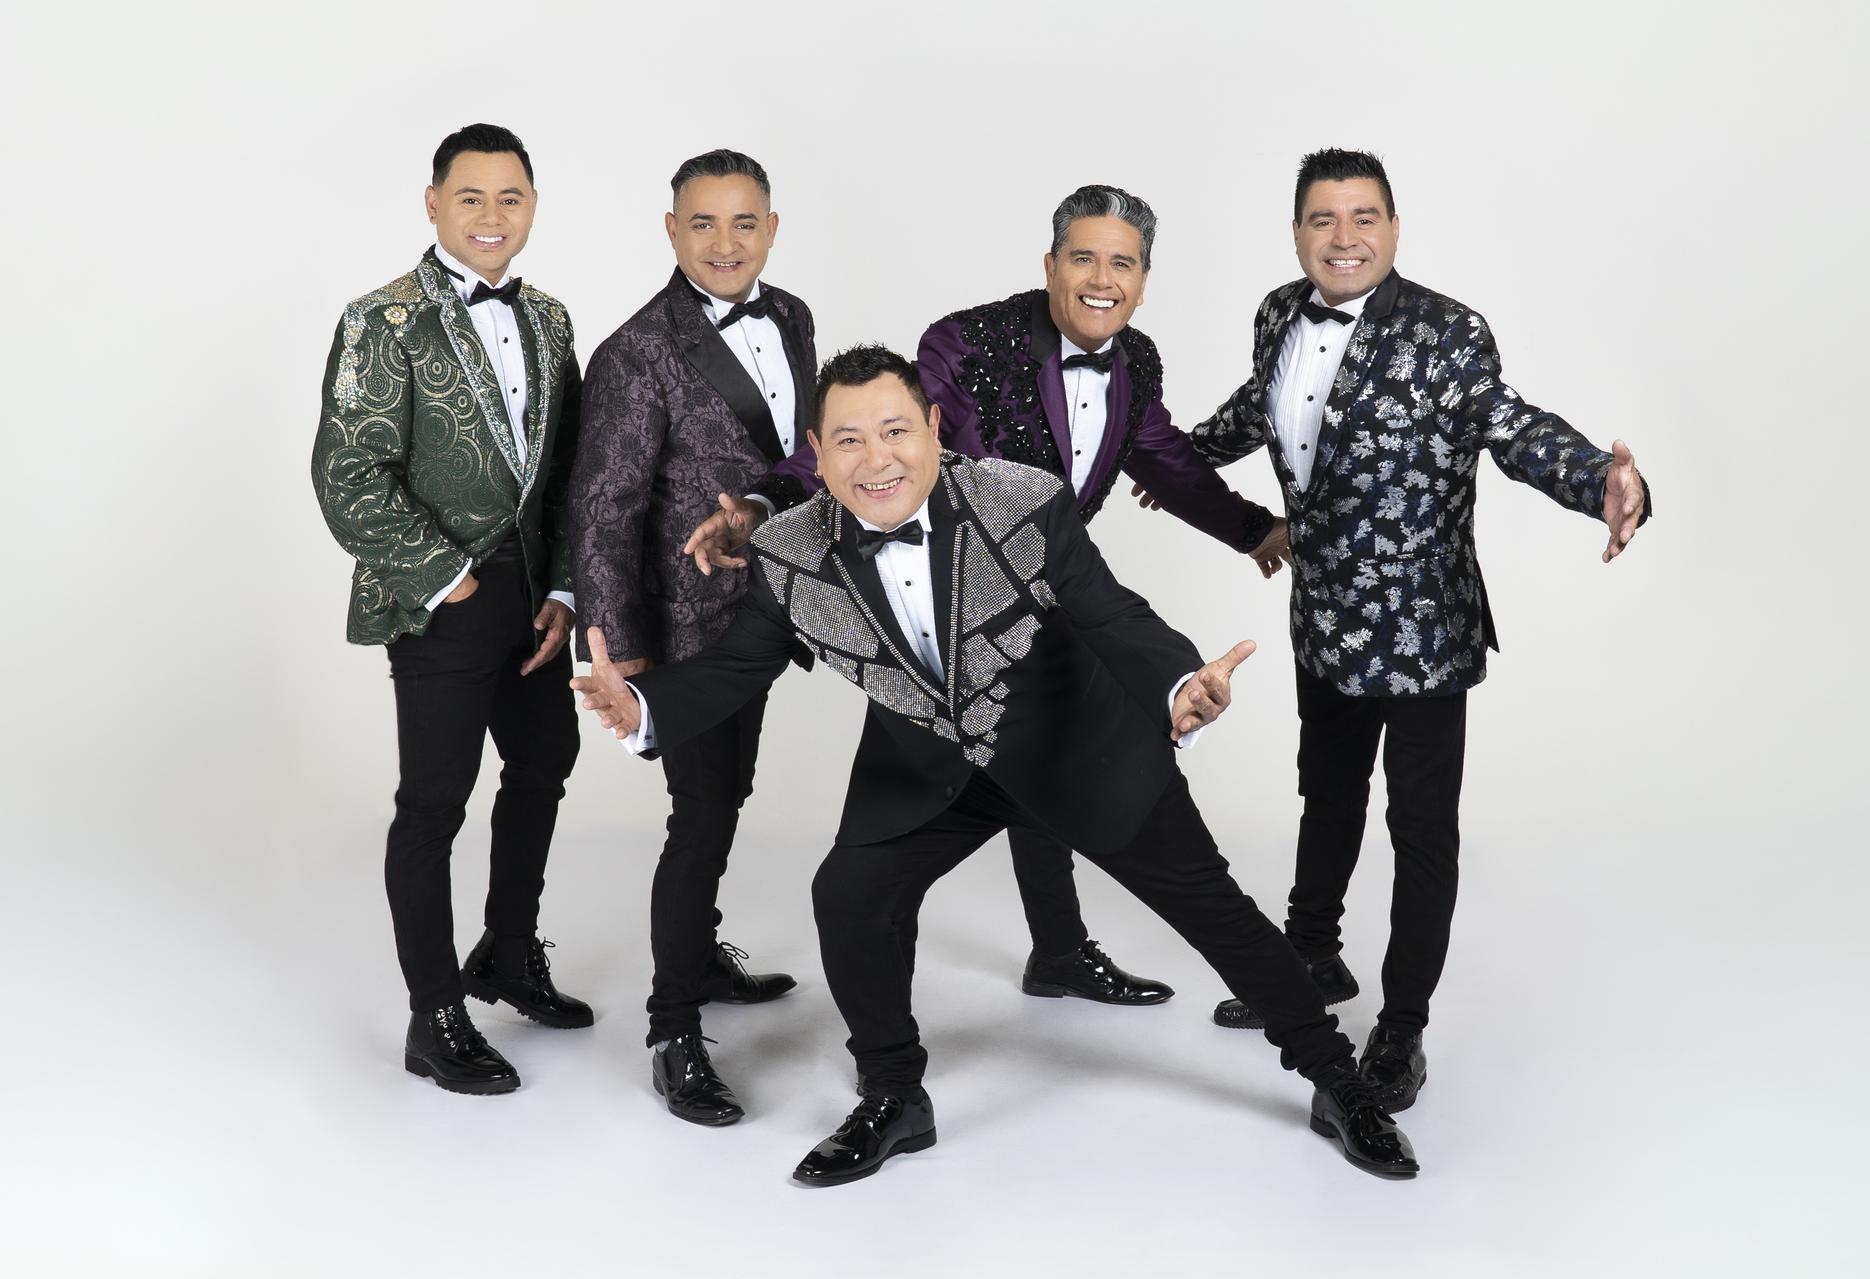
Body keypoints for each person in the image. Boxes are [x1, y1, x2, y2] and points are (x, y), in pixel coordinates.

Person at [575, 345, 1421, 1184]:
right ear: (817, 453)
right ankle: (893, 1093)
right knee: (849, 894)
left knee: (1219, 914)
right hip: (929, 768)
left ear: (935, 428)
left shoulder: (1022, 499)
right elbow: (735, 668)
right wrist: (644, 708)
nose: (877, 459)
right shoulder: (788, 551)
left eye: (896, 431)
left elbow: (1113, 614)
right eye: (850, 440)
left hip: (1075, 747)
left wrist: (1178, 685)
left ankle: (1336, 1081)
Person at [683, 186, 1292, 1008]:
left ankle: (1065, 951)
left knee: (1062, 753)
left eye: (1121, 263)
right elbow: (872, 442)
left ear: (1144, 280)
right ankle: (974, 981)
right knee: (949, 800)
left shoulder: (1136, 361)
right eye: (1083, 258)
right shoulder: (968, 343)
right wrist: (765, 505)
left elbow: (1163, 457)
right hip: (942, 606)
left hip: (1056, 593)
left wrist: (1254, 529)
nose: (1101, 278)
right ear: (1050, 265)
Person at [1175, 148, 1650, 1115]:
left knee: (1421, 831)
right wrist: (1167, 458)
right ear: (1297, 233)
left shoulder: (1447, 332)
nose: (1344, 237)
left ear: (1394, 228)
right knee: (1326, 796)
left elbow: (1512, 427)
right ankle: (1310, 957)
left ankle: (1402, 1026)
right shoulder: (1277, 313)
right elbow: (1259, 406)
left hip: (1425, 633)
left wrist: (1599, 481)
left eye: (1364, 217)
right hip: (1323, 621)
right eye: (1323, 218)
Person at [311, 123, 589, 1095]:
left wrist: (564, 588)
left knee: (546, 760)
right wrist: (448, 579)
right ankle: (433, 1015)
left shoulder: (550, 318)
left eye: (510, 197)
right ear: (434, 204)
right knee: (434, 803)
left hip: (535, 594)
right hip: (441, 597)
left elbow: (568, 471)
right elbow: (348, 473)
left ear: (533, 206)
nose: (491, 215)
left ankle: (508, 951)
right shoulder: (380, 320)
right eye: (470, 197)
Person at [568, 149, 808, 1126]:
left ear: (771, 230)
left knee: (726, 793)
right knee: (701, 813)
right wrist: (619, 647)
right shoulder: (635, 351)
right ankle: (673, 1029)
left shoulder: (791, 317)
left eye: (744, 222)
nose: (724, 242)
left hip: (769, 606)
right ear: (672, 231)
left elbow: (797, 459)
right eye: (702, 223)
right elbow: (602, 508)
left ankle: (701, 956)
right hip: (683, 623)